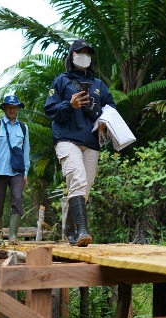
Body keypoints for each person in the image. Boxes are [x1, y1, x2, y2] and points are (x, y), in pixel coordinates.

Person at [44, 39, 116, 247]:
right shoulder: (61, 81)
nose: (84, 55)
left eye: (87, 52)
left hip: (91, 141)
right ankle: (82, 230)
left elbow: (111, 107)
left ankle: (69, 228)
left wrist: (105, 121)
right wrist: (70, 104)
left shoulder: (98, 85)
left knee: (86, 186)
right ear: (72, 56)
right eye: (80, 52)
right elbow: (50, 110)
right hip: (67, 139)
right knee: (78, 179)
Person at [0, 95, 30, 244]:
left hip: (17, 171)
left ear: (17, 109)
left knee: (17, 200)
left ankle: (13, 236)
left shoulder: (23, 127)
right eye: (9, 107)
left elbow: (26, 151)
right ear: (4, 108)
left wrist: (26, 172)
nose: (12, 109)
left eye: (15, 107)